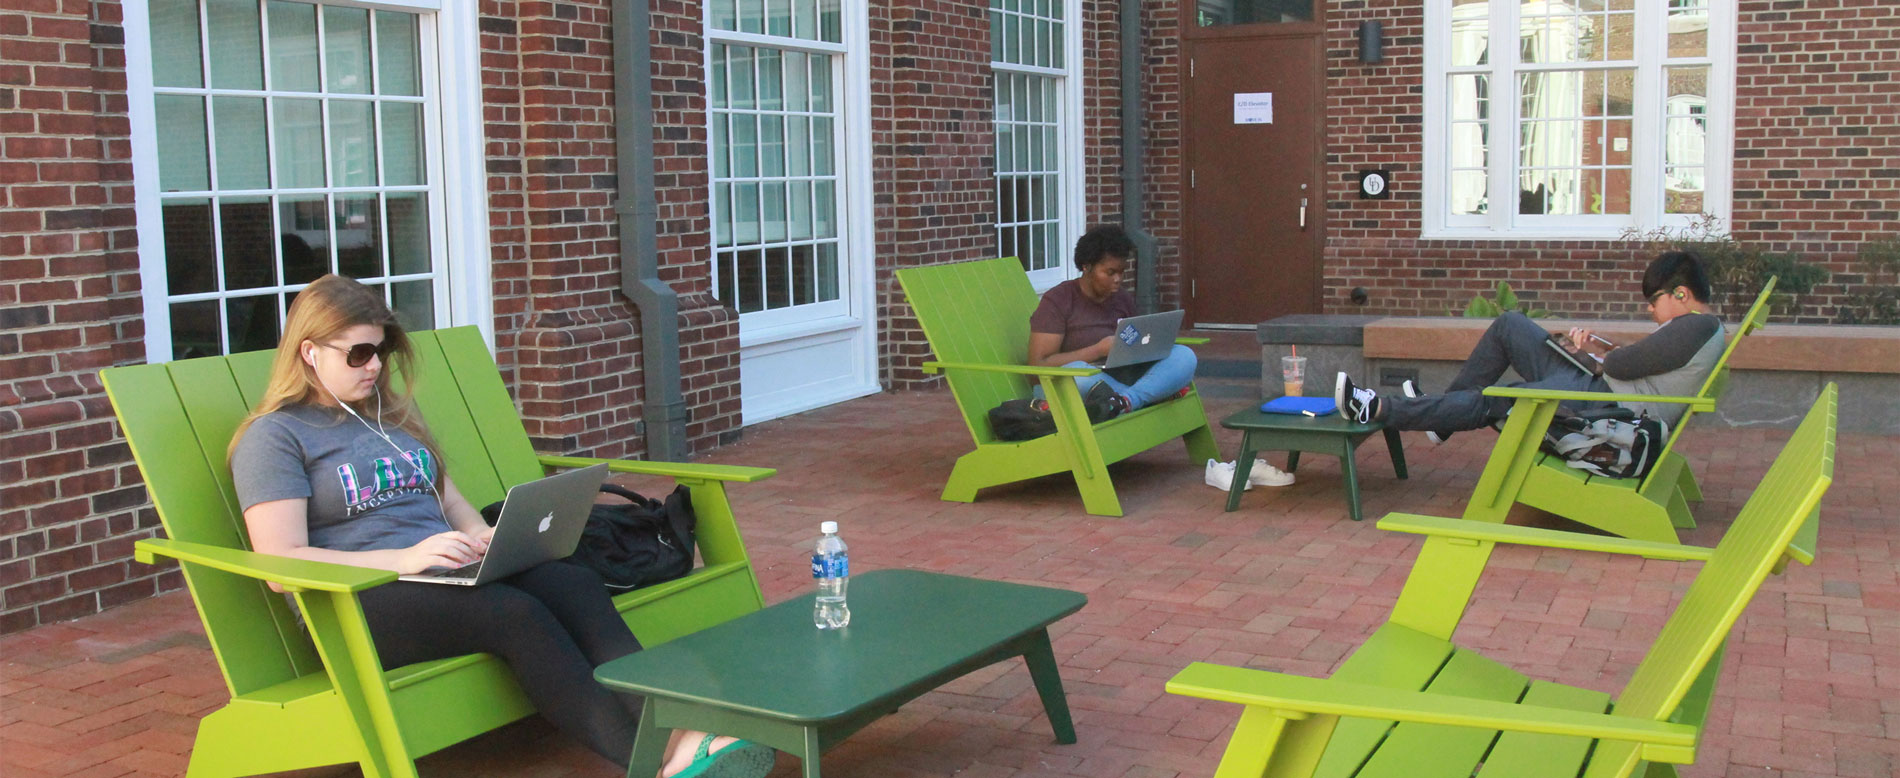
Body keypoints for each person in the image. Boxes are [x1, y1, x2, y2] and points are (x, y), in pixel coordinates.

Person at [227, 275, 774, 778]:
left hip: (438, 574)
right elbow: (279, 562)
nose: (374, 366)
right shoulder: (275, 437)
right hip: (355, 602)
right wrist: (404, 559)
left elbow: (449, 498)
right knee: (514, 614)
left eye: (382, 351)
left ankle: (679, 732)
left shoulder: (384, 418)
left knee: (572, 580)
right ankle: (653, 762)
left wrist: (481, 534)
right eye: (359, 353)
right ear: (309, 352)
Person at [1333, 251, 1725, 443]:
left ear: (1681, 293)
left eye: (1654, 300)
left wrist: (1600, 356)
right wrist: (1601, 352)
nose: (1649, 307)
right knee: (1511, 326)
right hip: (1599, 389)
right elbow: (1640, 359)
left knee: (1499, 399)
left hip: (1609, 407)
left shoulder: (1695, 327)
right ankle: (1440, 418)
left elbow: (1623, 366)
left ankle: (1379, 408)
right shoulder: (1696, 329)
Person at [1026, 225, 1199, 416]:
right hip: (1076, 381)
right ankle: (1150, 395)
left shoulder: (1122, 299)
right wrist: (1097, 350)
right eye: (1110, 272)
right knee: (1078, 373)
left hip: (1120, 376)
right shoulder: (1059, 300)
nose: (1118, 279)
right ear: (1087, 266)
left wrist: (1148, 347)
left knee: (1184, 355)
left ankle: (1127, 400)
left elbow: (1135, 342)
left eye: (1121, 272)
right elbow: (1037, 367)